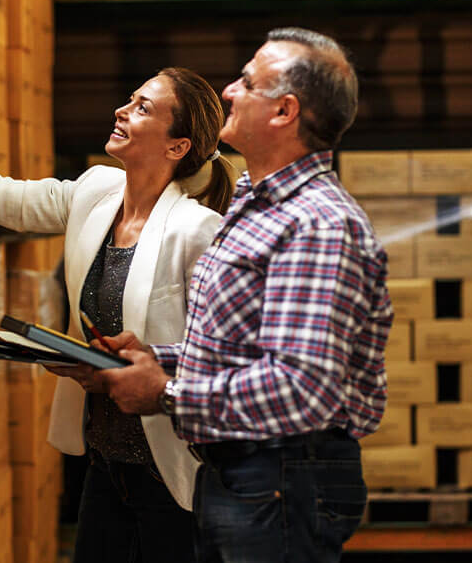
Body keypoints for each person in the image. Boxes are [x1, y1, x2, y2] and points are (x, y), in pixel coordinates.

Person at [0, 67, 236, 563]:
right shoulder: (96, 192)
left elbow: (221, 354)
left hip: (171, 472)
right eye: (130, 98)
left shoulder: (198, 230)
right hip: (105, 462)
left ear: (176, 147)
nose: (122, 110)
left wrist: (123, 373)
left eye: (143, 108)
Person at [98, 28, 392, 563]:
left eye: (246, 83)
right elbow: (245, 350)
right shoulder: (256, 202)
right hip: (243, 471)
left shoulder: (317, 225)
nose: (229, 91)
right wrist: (152, 358)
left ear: (283, 112)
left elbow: (301, 389)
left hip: (280, 478)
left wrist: (165, 392)